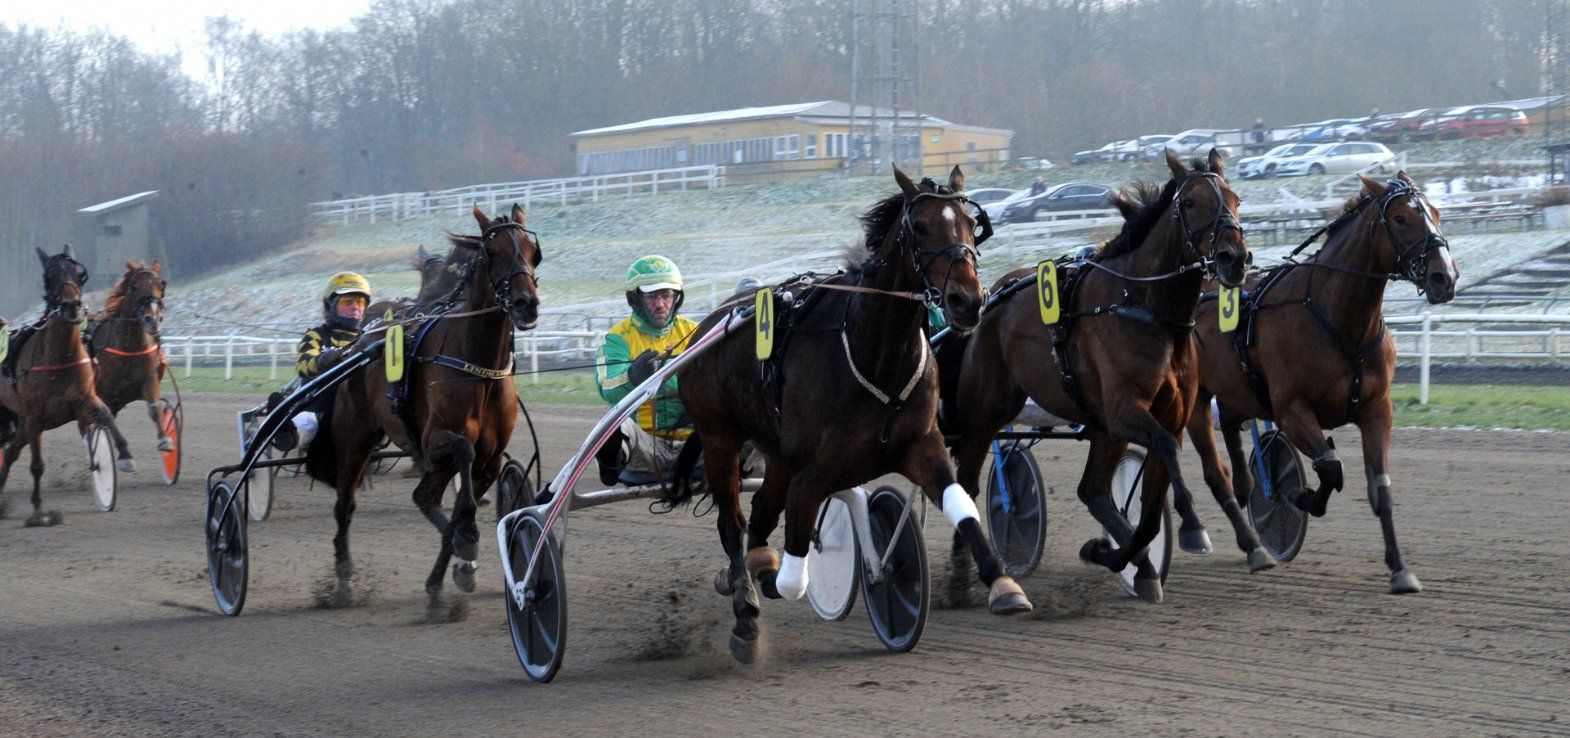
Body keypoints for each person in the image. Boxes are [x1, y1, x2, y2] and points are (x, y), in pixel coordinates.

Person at [593, 255, 698, 485]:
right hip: (644, 447)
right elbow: (607, 387)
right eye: (652, 296)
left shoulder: (695, 333)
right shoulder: (617, 339)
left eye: (666, 295)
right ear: (636, 299)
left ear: (676, 297)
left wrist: (662, 374)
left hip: (696, 445)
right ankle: (612, 462)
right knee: (612, 424)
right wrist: (632, 377)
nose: (660, 304)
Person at [272, 272, 371, 452]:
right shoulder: (316, 335)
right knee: (308, 424)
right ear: (330, 305)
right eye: (348, 302)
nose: (356, 307)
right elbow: (303, 365)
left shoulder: (368, 339)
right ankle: (287, 431)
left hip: (356, 405)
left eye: (360, 302)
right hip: (319, 404)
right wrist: (323, 360)